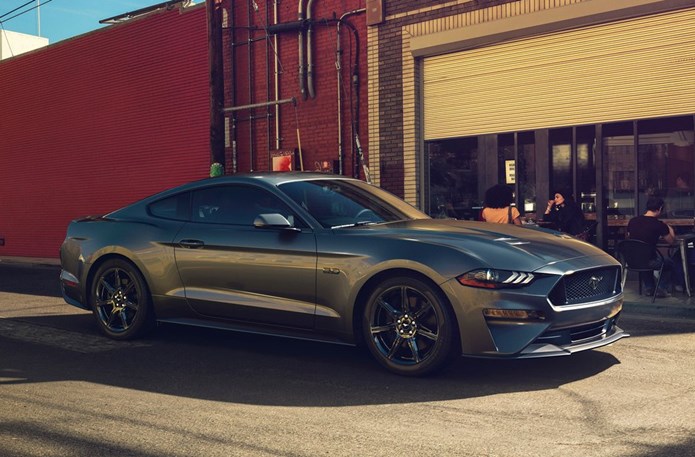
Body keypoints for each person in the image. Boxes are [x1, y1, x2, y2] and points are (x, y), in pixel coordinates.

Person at [626, 196, 676, 298]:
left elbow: (628, 237)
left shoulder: (633, 221)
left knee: (643, 257)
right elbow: (671, 241)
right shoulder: (658, 224)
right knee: (668, 262)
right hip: (649, 261)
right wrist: (669, 227)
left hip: (631, 260)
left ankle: (649, 288)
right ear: (660, 209)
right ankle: (661, 289)